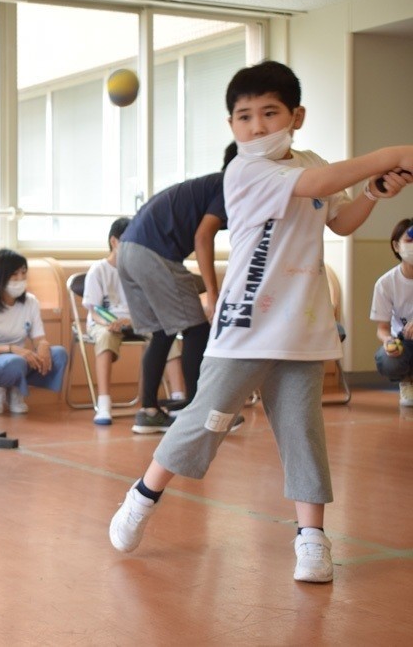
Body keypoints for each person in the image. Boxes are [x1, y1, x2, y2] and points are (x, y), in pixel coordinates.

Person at [108, 60, 413, 584]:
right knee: (207, 417)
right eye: (244, 117)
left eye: (269, 113)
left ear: (296, 115)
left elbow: (337, 220)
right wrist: (390, 154)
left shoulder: (310, 160)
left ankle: (311, 538)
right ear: (232, 126)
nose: (256, 127)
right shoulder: (245, 170)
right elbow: (315, 182)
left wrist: (371, 193)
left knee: (302, 429)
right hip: (247, 323)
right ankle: (143, 494)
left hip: (303, 323)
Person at [117, 144, 238, 434]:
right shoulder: (228, 185)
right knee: (197, 329)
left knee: (160, 333)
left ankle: (148, 411)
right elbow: (203, 237)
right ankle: (199, 411)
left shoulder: (207, 185)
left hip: (128, 250)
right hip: (153, 252)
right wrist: (212, 292)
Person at [83, 217, 185, 426]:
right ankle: (103, 403)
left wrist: (131, 320)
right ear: (114, 242)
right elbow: (94, 312)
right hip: (106, 323)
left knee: (168, 337)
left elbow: (150, 306)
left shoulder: (140, 269)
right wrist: (109, 323)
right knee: (105, 337)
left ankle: (178, 401)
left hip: (137, 320)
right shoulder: (98, 270)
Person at [0, 249, 69, 414]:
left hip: (19, 360)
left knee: (58, 354)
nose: (20, 279)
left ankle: (16, 389)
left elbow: (39, 338)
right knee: (15, 362)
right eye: (14, 274)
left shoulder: (30, 302)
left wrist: (43, 345)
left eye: (23, 273)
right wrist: (12, 349)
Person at [370, 217, 413, 406]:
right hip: (404, 343)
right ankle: (407, 382)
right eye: (409, 240)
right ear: (396, 246)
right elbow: (382, 328)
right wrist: (388, 341)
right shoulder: (386, 283)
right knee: (387, 360)